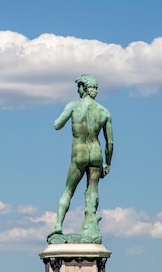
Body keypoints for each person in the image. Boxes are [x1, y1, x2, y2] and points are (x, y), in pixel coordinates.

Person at [48, 74, 114, 242]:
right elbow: (110, 142)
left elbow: (57, 125)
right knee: (93, 190)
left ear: (84, 88)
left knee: (68, 190)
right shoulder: (104, 111)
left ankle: (58, 225)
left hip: (80, 153)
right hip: (97, 153)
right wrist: (108, 163)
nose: (77, 90)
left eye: (78, 87)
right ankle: (91, 225)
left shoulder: (74, 106)